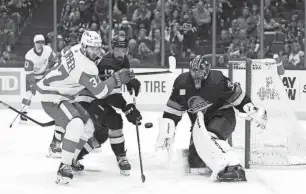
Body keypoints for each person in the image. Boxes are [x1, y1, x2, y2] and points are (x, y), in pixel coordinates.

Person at [35, 30, 135, 184]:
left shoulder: (74, 49)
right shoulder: (86, 67)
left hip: (60, 92)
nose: (95, 51)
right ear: (84, 45)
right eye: (91, 48)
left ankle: (72, 158)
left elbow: (63, 53)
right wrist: (116, 79)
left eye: (97, 47)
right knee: (76, 124)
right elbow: (101, 92)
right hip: (52, 96)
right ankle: (64, 167)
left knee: (88, 126)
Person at [155, 55, 267, 182]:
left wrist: (251, 109)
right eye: (193, 71)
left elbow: (239, 98)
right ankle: (216, 157)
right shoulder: (182, 83)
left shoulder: (218, 80)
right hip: (200, 123)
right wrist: (167, 131)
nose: (197, 75)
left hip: (222, 116)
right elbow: (173, 111)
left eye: (200, 71)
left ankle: (233, 166)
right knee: (196, 163)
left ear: (207, 71)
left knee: (209, 137)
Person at [73, 35, 142, 176]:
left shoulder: (124, 61)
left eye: (123, 50)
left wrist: (131, 82)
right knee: (114, 121)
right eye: (117, 50)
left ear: (127, 50)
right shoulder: (107, 64)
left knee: (102, 134)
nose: (120, 53)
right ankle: (121, 157)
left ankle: (73, 157)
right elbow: (106, 93)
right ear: (112, 49)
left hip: (98, 99)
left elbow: (124, 78)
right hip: (88, 99)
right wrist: (126, 107)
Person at [22, 34, 65, 158]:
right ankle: (23, 113)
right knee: (29, 94)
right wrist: (33, 84)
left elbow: (54, 62)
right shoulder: (29, 55)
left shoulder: (48, 50)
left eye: (42, 41)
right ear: (34, 43)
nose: (40, 44)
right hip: (33, 76)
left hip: (44, 74)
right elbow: (29, 73)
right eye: (38, 42)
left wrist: (50, 71)